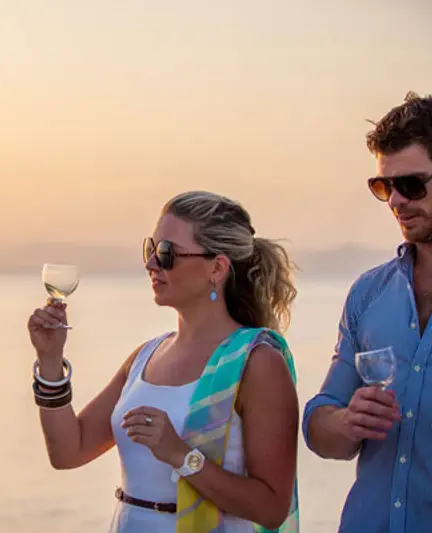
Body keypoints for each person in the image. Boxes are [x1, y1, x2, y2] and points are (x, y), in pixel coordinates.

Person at [27, 190, 301, 533]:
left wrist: (181, 456)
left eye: (167, 253)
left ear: (217, 268)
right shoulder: (145, 356)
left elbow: (272, 509)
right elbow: (69, 452)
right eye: (150, 249)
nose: (151, 264)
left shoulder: (257, 363)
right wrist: (50, 361)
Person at [302, 92, 432, 533]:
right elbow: (320, 425)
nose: (395, 200)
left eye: (411, 185)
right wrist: (347, 422)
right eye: (383, 187)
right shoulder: (368, 294)